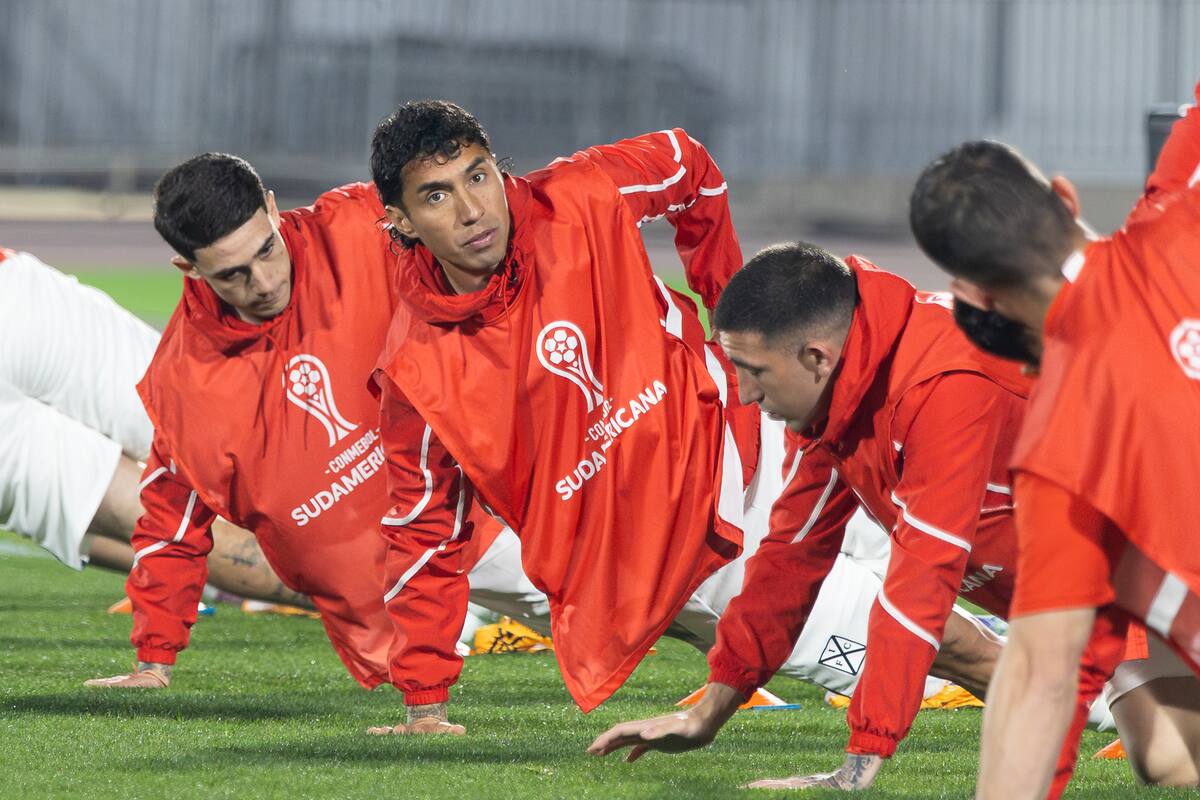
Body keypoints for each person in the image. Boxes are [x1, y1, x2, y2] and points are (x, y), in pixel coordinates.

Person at [367, 101, 1007, 737]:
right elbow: (425, 529)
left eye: (478, 176)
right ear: (401, 219)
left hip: (762, 432)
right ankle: (1093, 703)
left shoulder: (582, 193)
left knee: (990, 559)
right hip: (700, 560)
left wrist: (734, 319)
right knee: (951, 651)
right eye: (437, 196)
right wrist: (424, 702)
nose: (472, 209)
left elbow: (687, 164)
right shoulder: (414, 369)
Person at [85, 153, 542, 693]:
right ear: (189, 268)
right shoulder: (181, 380)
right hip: (373, 603)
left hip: (475, 507)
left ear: (273, 210)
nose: (263, 282)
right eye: (232, 274)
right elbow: (171, 522)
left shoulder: (359, 225)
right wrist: (153, 660)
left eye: (266, 251)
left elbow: (490, 216)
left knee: (636, 600)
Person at [589, 242, 1031, 790]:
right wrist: (707, 715)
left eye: (754, 372)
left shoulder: (945, 383)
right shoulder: (844, 390)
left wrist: (857, 767)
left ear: (816, 357)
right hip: (1080, 606)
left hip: (1146, 586)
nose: (745, 395)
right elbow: (788, 560)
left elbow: (924, 578)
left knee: (1162, 758)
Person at [908, 83, 1200, 798]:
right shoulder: (1181, 209)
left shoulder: (1058, 455)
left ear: (975, 297)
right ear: (1066, 197)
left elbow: (1042, 677)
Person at [0, 246, 307, 605]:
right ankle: (363, 583)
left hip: (18, 303)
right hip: (17, 301)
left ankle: (358, 588)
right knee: (223, 432)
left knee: (136, 506)